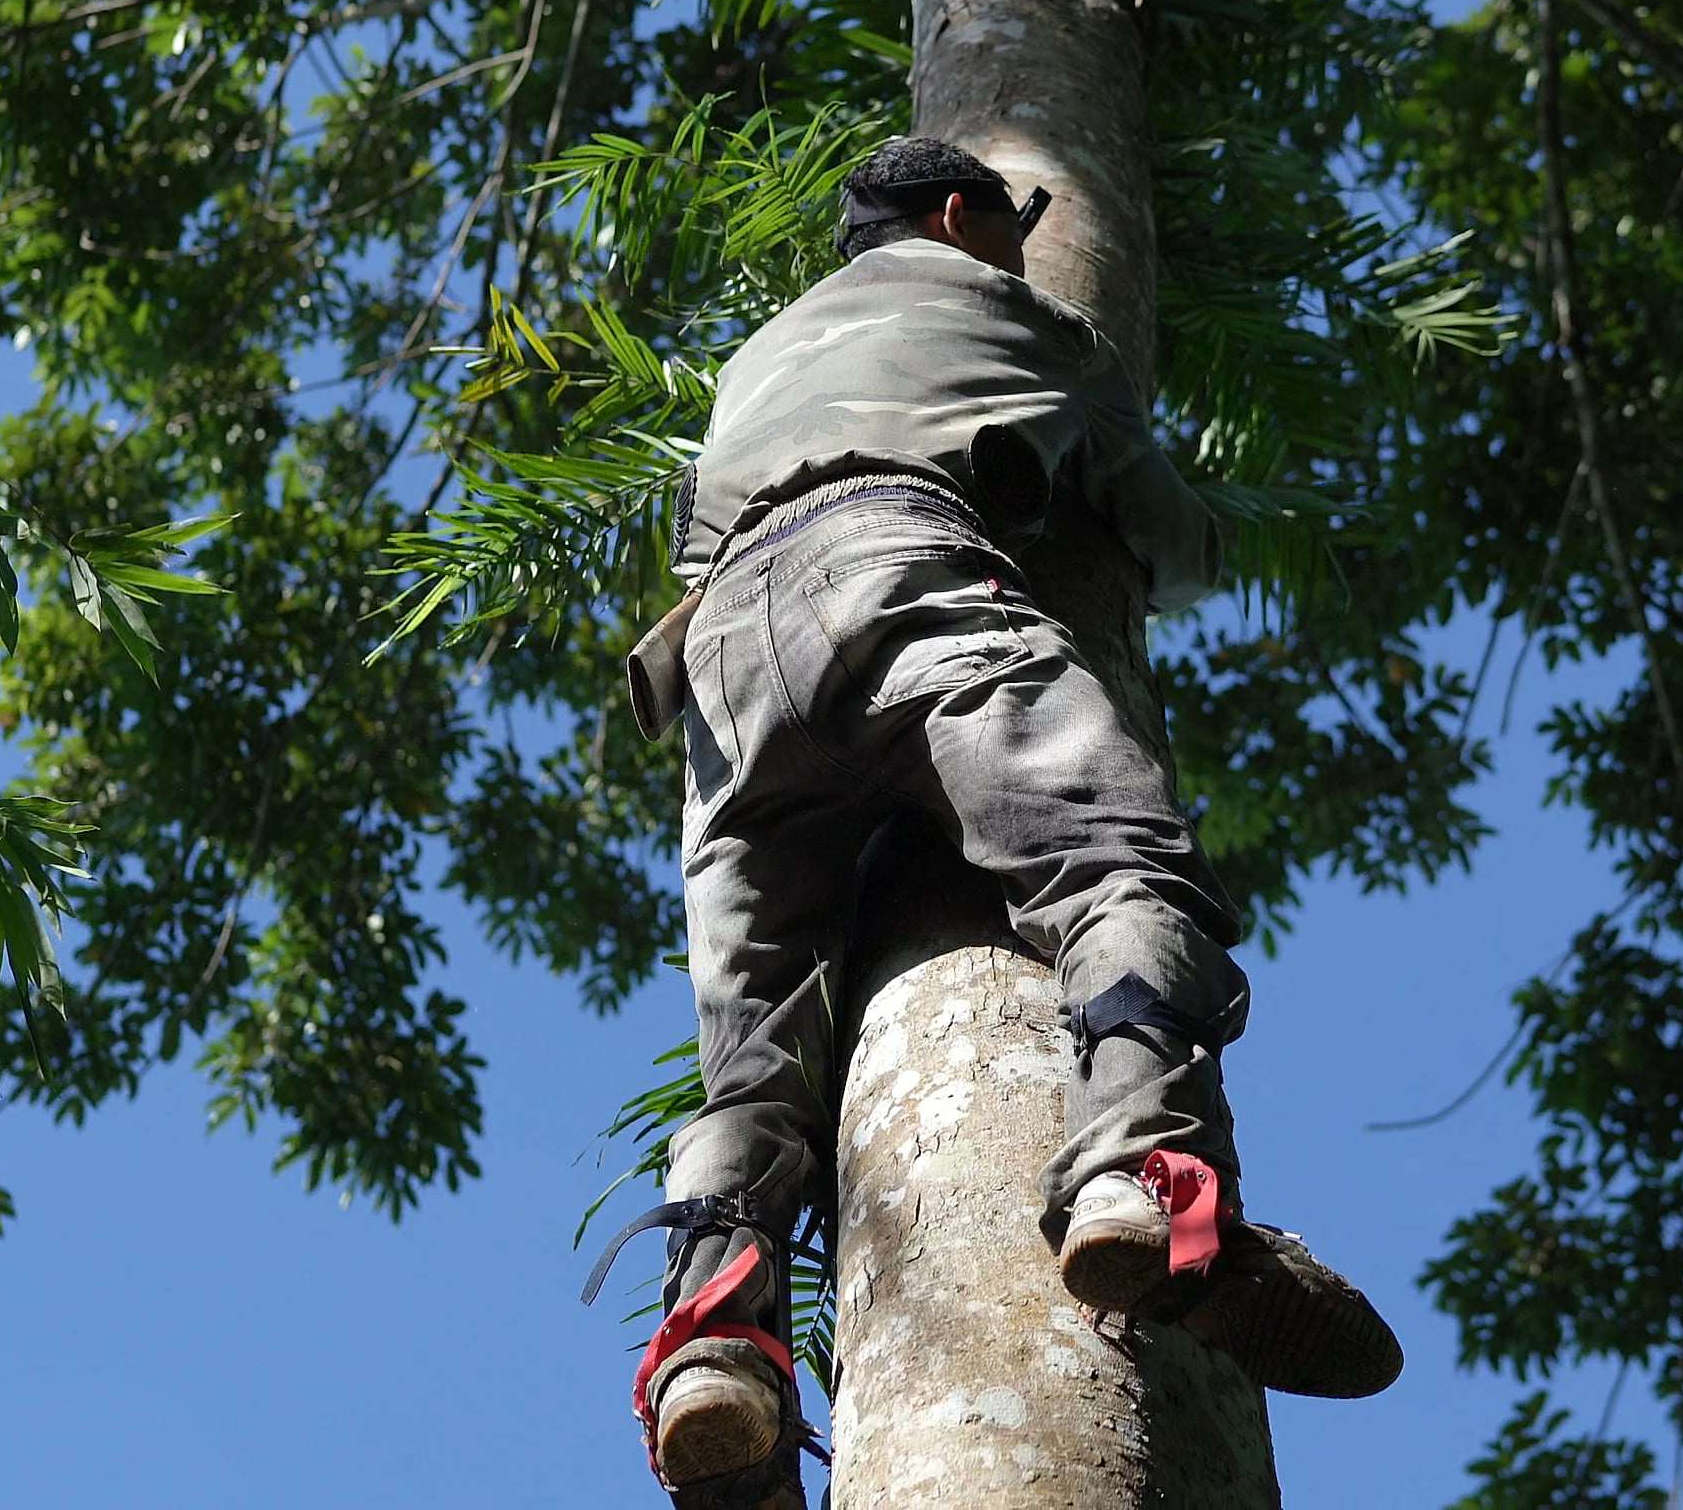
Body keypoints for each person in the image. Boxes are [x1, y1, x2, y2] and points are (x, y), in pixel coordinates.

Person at [590, 135, 1399, 1510]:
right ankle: (1144, 1176)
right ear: (959, 213)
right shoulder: (1012, 310)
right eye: (1004, 230)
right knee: (1118, 866)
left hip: (725, 665)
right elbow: (1169, 534)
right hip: (899, 571)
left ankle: (716, 1342)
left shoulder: (755, 359)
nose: (1014, 252)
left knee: (754, 1062)